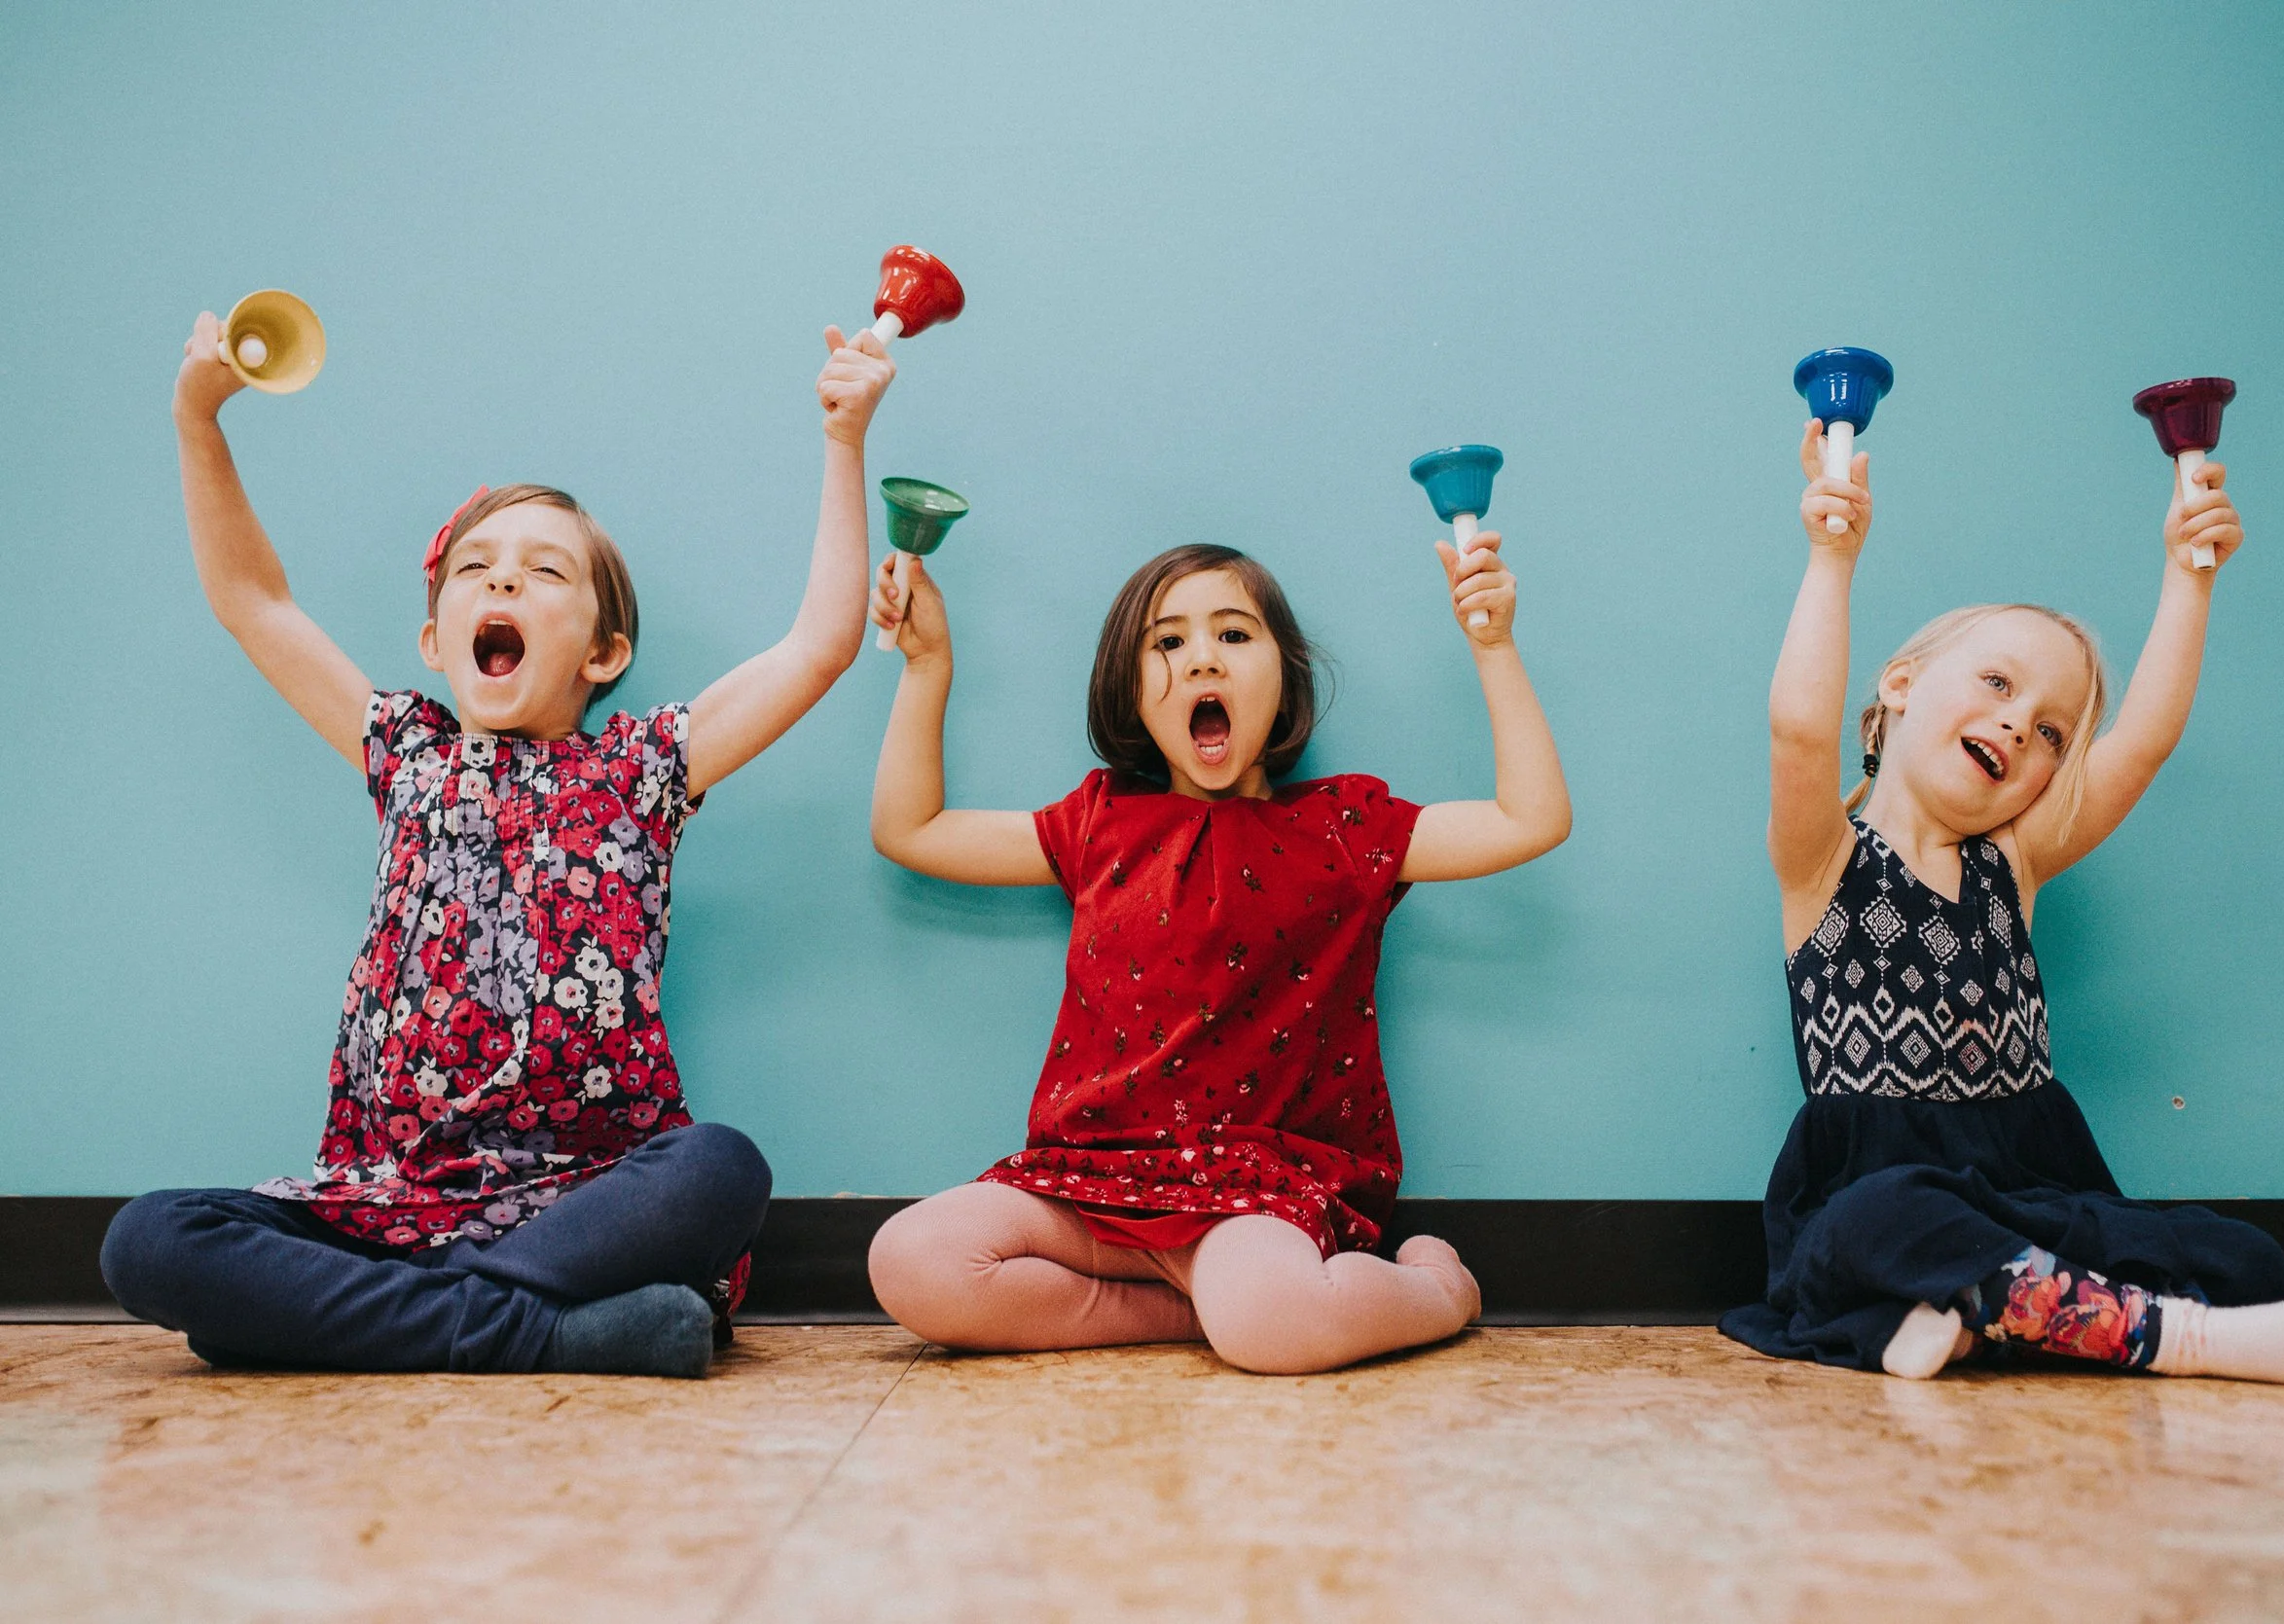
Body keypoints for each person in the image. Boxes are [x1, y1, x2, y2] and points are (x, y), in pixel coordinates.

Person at [99, 309, 896, 1377]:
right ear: (437, 641)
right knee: (151, 1239)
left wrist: (843, 442)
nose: (504, 583)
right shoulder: (403, 752)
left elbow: (820, 645)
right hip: (388, 1200)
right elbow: (255, 600)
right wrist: (198, 419)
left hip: (588, 1201)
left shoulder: (640, 769)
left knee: (723, 1169)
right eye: (475, 568)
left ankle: (396, 1320)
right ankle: (547, 1332)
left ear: (605, 651)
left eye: (545, 573)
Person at [1720, 417, 2284, 1387]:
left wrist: (2189, 577)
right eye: (1995, 682)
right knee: (1876, 1226)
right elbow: (1797, 732)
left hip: (2033, 1192)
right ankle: (2174, 1339)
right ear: (1898, 685)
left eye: (2052, 730)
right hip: (1878, 1191)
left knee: (2245, 1254)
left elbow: (2140, 741)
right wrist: (1830, 558)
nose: (2019, 722)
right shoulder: (1823, 863)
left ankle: (1950, 1318)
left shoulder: (2009, 867)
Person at [862, 528, 1570, 1373]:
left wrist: (1493, 645)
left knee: (1275, 1323)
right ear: (1130, 689)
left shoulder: (1345, 829)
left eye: (1234, 634)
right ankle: (1191, 1313)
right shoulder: (1098, 824)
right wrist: (926, 666)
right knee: (909, 1260)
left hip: (1254, 1195)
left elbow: (1531, 818)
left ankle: (1437, 1290)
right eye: (1169, 641)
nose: (1203, 660)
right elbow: (909, 828)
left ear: (1286, 674)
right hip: (1087, 1182)